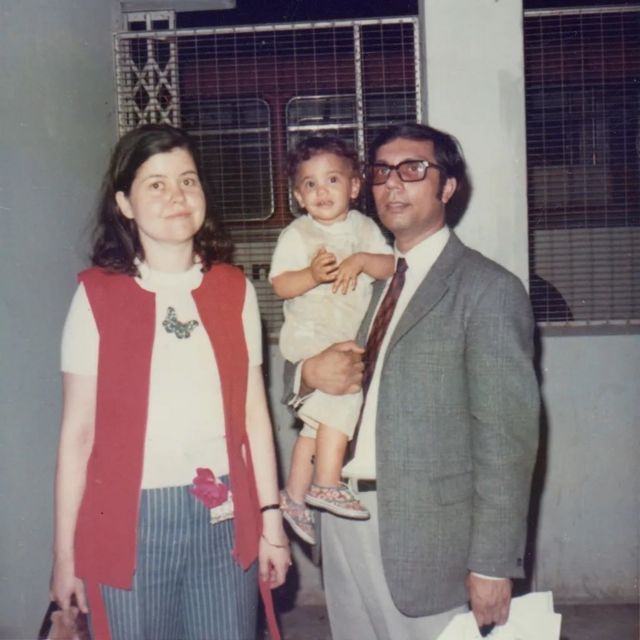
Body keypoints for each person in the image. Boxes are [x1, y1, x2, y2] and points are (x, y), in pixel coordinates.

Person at [284, 123, 540, 639]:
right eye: (381, 172)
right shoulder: (363, 281)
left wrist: (492, 563)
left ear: (447, 188)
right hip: (339, 512)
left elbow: (506, 440)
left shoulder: (486, 289)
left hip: (426, 537)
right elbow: (309, 365)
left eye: (413, 169)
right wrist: (306, 374)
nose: (393, 184)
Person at [50, 124, 290, 640]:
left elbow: (254, 417)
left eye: (188, 180)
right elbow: (77, 436)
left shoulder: (234, 290)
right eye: (155, 184)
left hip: (225, 512)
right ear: (125, 204)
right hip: (128, 520)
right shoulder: (96, 297)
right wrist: (64, 555)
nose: (176, 196)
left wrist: (271, 522)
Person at [270, 136, 394, 544]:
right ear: (297, 196)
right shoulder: (297, 234)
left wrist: (359, 260)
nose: (322, 191)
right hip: (310, 336)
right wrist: (311, 276)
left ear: (355, 187)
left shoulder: (364, 228)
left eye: (333, 180)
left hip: (344, 335)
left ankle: (293, 494)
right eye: (310, 184)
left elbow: (391, 266)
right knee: (344, 395)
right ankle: (325, 481)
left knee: (316, 426)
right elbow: (280, 285)